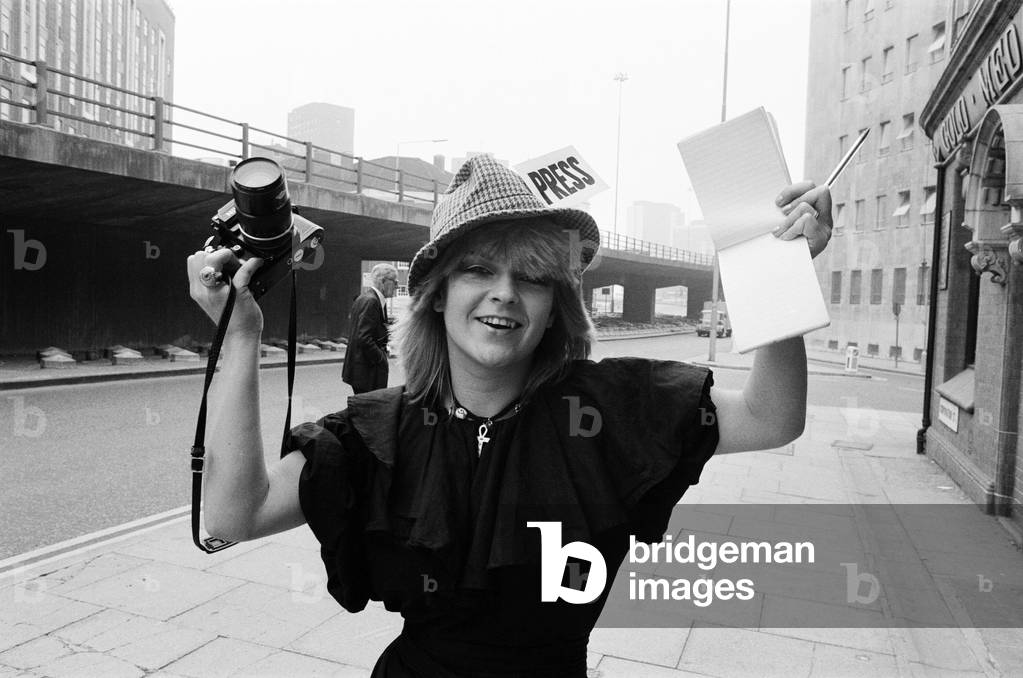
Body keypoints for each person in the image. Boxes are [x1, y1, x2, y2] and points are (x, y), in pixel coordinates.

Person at [186, 154, 833, 677]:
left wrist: (775, 270)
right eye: (476, 269)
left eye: (529, 275)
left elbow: (771, 416)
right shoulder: (375, 435)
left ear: (556, 304)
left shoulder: (612, 409)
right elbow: (231, 516)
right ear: (437, 296)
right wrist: (240, 338)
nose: (503, 291)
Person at [342, 263, 398, 393]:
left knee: (364, 409)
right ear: (383, 281)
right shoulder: (372, 301)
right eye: (394, 282)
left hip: (361, 371)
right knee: (369, 411)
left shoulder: (366, 298)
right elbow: (363, 338)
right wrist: (381, 358)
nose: (396, 286)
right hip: (367, 372)